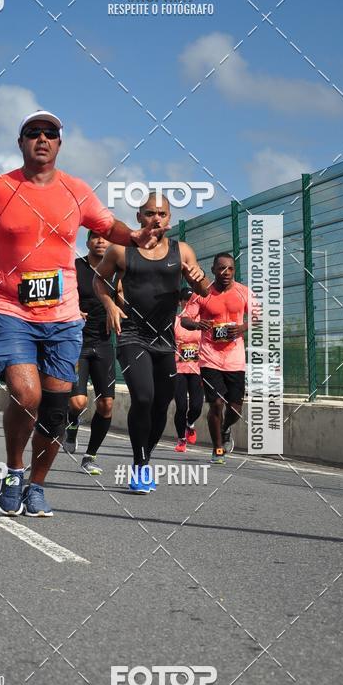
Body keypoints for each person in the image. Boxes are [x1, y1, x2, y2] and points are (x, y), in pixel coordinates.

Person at [0, 110, 166, 518]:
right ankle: (14, 472)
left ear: (59, 143)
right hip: (11, 309)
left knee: (55, 407)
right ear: (21, 142)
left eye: (50, 133)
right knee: (26, 395)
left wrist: (134, 235)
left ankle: (37, 485)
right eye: (33, 133)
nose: (42, 138)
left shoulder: (76, 190)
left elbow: (106, 224)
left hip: (63, 315)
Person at [94, 192, 209, 493]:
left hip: (165, 340)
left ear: (169, 219)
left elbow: (205, 290)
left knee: (161, 406)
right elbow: (98, 280)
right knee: (143, 397)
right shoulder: (121, 251)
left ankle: (146, 456)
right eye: (149, 213)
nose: (156, 218)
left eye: (162, 214)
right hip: (133, 335)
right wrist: (109, 306)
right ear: (139, 217)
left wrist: (198, 278)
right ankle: (141, 464)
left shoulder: (182, 251)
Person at [182, 252, 252, 463]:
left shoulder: (243, 292)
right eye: (221, 268)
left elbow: (260, 317)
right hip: (209, 358)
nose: (226, 272)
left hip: (235, 359)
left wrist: (243, 327)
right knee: (217, 404)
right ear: (213, 270)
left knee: (235, 409)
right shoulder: (202, 293)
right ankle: (217, 448)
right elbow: (185, 319)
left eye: (230, 268)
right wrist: (197, 324)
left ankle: (224, 428)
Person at [64, 231, 116, 476]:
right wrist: (74, 311)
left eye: (105, 238)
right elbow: (61, 295)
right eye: (95, 237)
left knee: (106, 404)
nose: (100, 241)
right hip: (78, 342)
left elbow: (125, 297)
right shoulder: (75, 267)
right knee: (78, 402)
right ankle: (72, 422)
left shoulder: (117, 269)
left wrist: (117, 309)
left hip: (104, 342)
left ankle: (90, 456)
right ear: (87, 242)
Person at [173, 288, 204, 452]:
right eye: (185, 300)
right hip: (179, 368)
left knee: (197, 406)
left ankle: (190, 424)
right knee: (181, 406)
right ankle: (181, 439)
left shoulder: (201, 321)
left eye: (192, 300)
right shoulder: (176, 321)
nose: (189, 303)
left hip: (198, 369)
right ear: (180, 302)